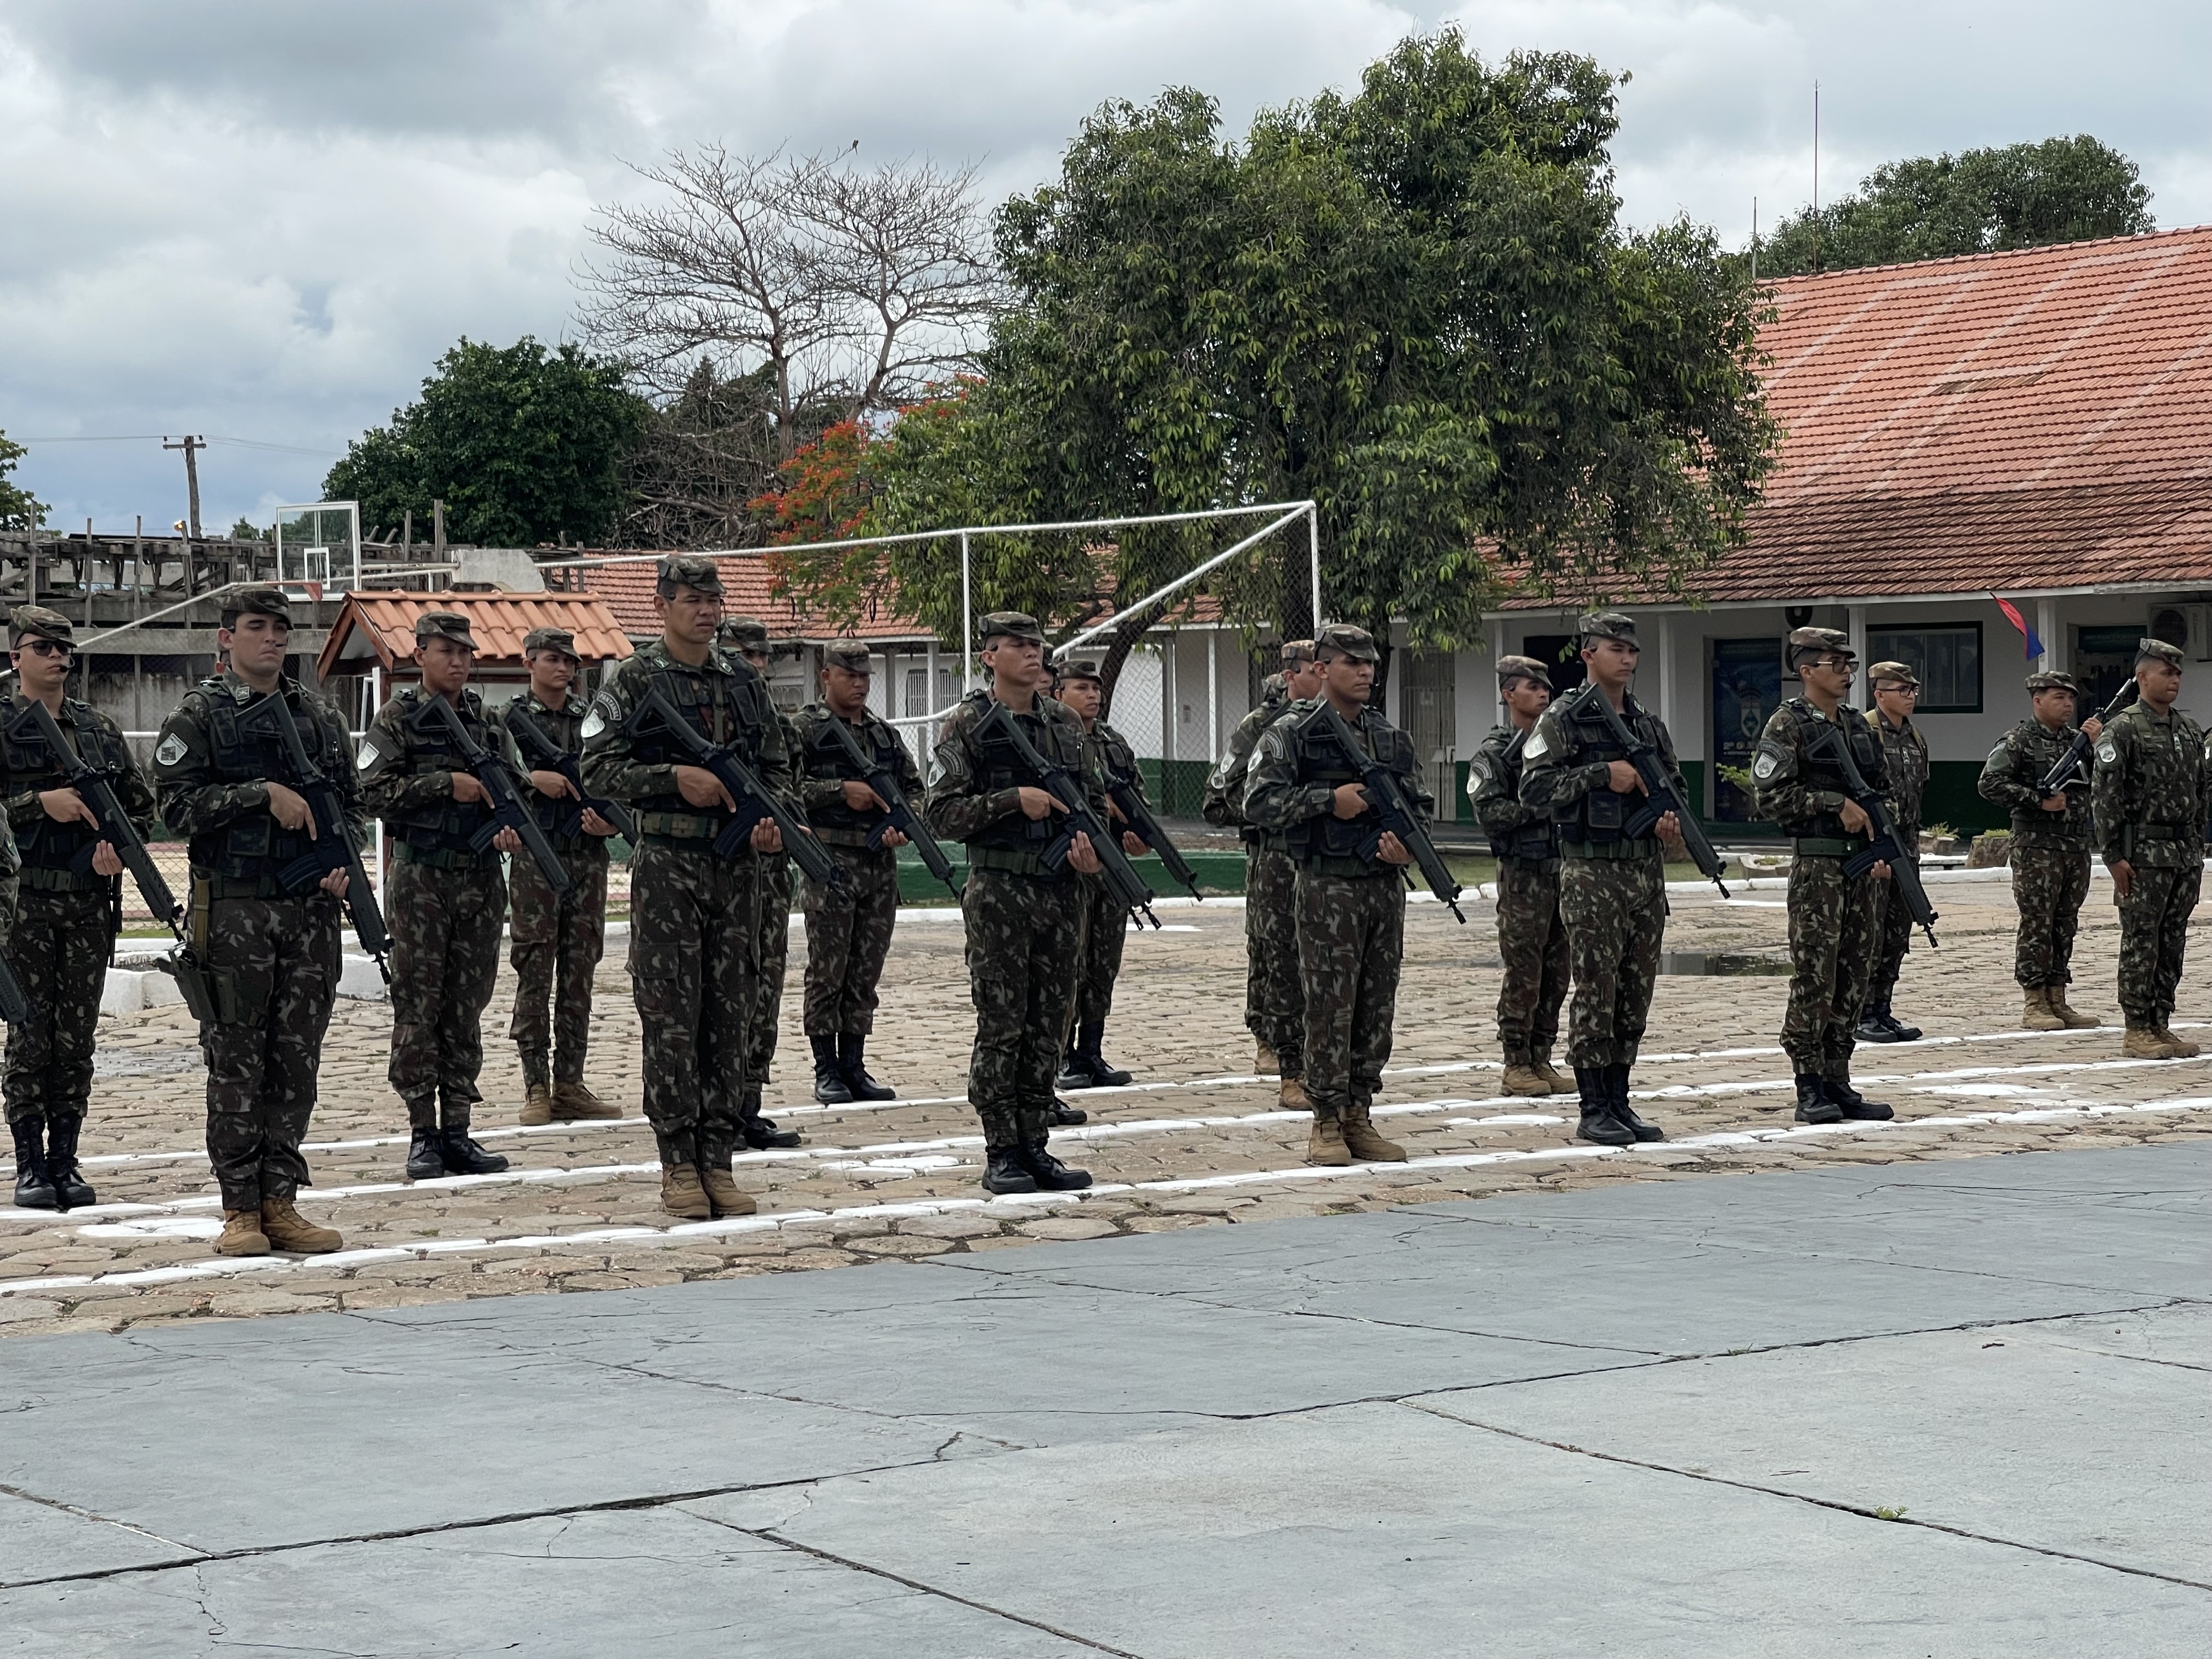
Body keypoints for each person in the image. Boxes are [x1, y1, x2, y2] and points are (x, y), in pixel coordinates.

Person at [583, 557, 797, 1217]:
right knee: (673, 1015)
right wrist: (675, 778)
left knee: (731, 1012)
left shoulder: (742, 682)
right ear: (663, 604)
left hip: (738, 872)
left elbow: (777, 765)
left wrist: (773, 822)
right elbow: (596, 766)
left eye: (714, 599)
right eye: (693, 599)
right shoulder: (635, 679)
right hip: (670, 864)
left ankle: (719, 1157)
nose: (707, 610)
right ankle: (678, 1161)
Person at [151, 585, 356, 1255]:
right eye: (257, 627)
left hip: (309, 910)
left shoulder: (319, 717)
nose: (272, 639)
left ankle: (281, 1200)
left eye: (280, 628)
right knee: (237, 1058)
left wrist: (339, 862)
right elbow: (174, 809)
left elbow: (352, 807)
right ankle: (239, 1208)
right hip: (236, 906)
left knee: (295, 1058)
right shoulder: (200, 715)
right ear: (226, 637)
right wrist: (261, 795)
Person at [921, 612, 1099, 1195]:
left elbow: (1091, 805)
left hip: (1061, 891)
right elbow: (942, 813)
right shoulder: (966, 725)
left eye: (1037, 645)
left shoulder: (1066, 725)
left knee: (1050, 1021)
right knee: (1003, 1022)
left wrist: (1090, 855)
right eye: (1017, 646)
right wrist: (1008, 801)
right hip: (999, 890)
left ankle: (1035, 1143)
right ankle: (1001, 1149)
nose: (1032, 654)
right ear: (988, 657)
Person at [1244, 622, 1428, 1167]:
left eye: (1370, 662)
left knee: (1375, 1003)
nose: (1366, 671)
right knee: (1328, 1004)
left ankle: (1359, 1114)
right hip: (1326, 885)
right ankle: (1325, 1121)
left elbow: (1418, 805)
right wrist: (1328, 800)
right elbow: (1258, 802)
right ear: (1321, 669)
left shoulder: (1390, 736)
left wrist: (1408, 849)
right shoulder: (1291, 731)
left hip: (1381, 888)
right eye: (1352, 662)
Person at [0, 605, 156, 1212]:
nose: (59, 658)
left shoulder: (100, 731)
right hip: (25, 906)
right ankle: (30, 1164)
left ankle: (66, 1157)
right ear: (17, 657)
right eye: (44, 647)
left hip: (89, 906)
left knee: (76, 1039)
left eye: (66, 649)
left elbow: (142, 810)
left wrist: (115, 849)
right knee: (30, 1036)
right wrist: (42, 804)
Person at [359, 611, 520, 1182]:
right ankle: (422, 1133)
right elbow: (371, 792)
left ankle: (458, 1131)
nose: (458, 662)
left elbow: (515, 789)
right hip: (422, 879)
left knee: (466, 1005)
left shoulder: (487, 723)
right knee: (418, 1005)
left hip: (478, 878)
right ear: (420, 653)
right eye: (446, 651)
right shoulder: (398, 719)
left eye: (465, 653)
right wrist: (443, 785)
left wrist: (508, 825)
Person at [1517, 613, 1685, 1146]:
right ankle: (1593, 1107)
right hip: (1592, 872)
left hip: (1643, 873)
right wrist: (1600, 774)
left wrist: (1668, 822)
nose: (1627, 658)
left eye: (1632, 650)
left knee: (1636, 992)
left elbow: (1674, 786)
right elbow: (1533, 789)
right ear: (1589, 653)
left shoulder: (1647, 725)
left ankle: (1620, 1097)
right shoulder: (1563, 719)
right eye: (1616, 648)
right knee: (1598, 988)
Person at [1748, 626, 1898, 1125]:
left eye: (1848, 664)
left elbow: (1881, 791)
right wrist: (1834, 804)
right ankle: (1808, 1083)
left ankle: (1838, 1078)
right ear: (1806, 669)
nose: (1846, 673)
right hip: (1819, 867)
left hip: (1861, 868)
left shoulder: (1858, 725)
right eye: (1835, 664)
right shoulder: (1786, 724)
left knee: (1854, 973)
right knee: (1816, 975)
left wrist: (1880, 846)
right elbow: (1770, 797)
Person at [490, 627, 622, 1125]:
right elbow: (495, 783)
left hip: (586, 856)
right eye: (552, 659)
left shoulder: (592, 722)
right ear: (529, 662)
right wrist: (532, 782)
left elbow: (614, 777)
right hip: (535, 860)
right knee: (534, 968)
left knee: (580, 971)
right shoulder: (506, 722)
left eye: (569, 661)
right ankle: (535, 1085)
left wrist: (611, 820)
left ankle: (570, 1081)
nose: (563, 669)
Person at [789, 640, 917, 1104]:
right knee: (829, 970)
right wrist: (841, 791)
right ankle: (826, 1067)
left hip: (878, 865)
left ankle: (854, 1065)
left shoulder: (883, 735)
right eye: (850, 675)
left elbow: (915, 791)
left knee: (865, 971)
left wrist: (900, 825)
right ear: (827, 676)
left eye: (865, 676)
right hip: (830, 861)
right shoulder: (803, 729)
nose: (859, 683)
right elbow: (786, 789)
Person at [1203, 640, 1324, 1108]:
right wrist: (1276, 809)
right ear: (1293, 674)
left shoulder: (1339, 723)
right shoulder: (1260, 727)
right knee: (1274, 953)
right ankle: (1272, 1041)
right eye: (1316, 668)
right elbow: (1218, 802)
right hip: (1273, 856)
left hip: (1321, 858)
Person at [2091, 636, 2212, 1059]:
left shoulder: (2188, 730)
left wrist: (2197, 847)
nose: (2175, 679)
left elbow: (2201, 792)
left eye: (2178, 673)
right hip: (2143, 855)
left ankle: (2161, 1022)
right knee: (2142, 940)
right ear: (2142, 678)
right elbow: (2106, 797)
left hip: (2183, 856)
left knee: (2172, 942)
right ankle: (2137, 1027)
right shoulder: (2122, 729)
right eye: (2167, 672)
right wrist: (2113, 856)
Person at [1977, 670, 2103, 1031]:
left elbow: (2101, 779)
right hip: (2037, 846)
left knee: (2066, 923)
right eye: (2058, 698)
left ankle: (2057, 996)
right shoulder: (2019, 740)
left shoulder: (2076, 742)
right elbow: (1990, 783)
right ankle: (2034, 1000)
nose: (2067, 705)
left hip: (2075, 845)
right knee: (2038, 924)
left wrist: (2095, 745)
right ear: (2038, 701)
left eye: (2070, 699)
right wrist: (2037, 801)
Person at [718, 616, 802, 1150]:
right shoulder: (703, 720)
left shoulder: (778, 727)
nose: (753, 665)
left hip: (768, 879)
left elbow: (788, 789)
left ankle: (749, 1104)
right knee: (721, 996)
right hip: (718, 878)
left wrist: (784, 825)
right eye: (742, 654)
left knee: (765, 988)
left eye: (760, 656)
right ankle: (716, 1111)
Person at [1469, 654, 1569, 1096]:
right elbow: (1490, 813)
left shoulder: (1556, 747)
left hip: (1560, 869)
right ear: (1509, 694)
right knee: (1525, 968)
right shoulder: (1496, 753)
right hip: (1522, 872)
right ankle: (1515, 1061)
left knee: (1557, 969)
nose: (1543, 693)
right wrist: (1540, 806)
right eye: (1531, 687)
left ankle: (1541, 1054)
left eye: (1545, 687)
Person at [1053, 658, 1153, 1092]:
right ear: (1059, 693)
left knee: (1102, 962)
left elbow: (1138, 801)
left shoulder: (1114, 743)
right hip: (1070, 864)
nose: (1093, 694)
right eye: (1082, 687)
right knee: (1067, 964)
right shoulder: (1051, 738)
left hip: (1111, 868)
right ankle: (1060, 1056)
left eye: (1096, 688)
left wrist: (1138, 836)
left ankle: (1090, 1052)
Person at [1855, 662, 1931, 1043]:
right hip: (1876, 850)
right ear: (1880, 693)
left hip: (1908, 849)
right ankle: (1862, 1011)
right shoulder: (1865, 732)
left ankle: (1883, 1009)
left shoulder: (1915, 736)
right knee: (1870, 932)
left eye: (1914, 690)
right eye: (1903, 690)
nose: (1911, 696)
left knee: (1897, 933)